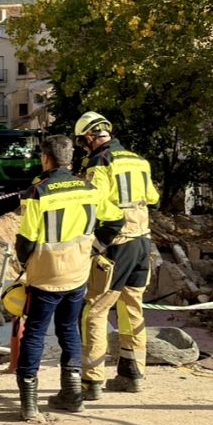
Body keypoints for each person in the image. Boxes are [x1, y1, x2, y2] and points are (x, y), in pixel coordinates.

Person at [14, 135, 123, 421]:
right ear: (70, 158)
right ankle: (73, 394)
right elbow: (116, 220)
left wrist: (24, 264)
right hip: (77, 273)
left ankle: (29, 403)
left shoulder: (38, 192)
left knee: (35, 333)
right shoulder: (88, 188)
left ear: (45, 158)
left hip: (45, 275)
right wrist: (94, 248)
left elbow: (26, 240)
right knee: (70, 329)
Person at [75, 111, 161, 397]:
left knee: (95, 310)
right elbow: (153, 199)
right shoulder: (139, 160)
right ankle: (132, 374)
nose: (83, 148)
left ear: (90, 137)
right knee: (132, 308)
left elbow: (95, 202)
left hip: (117, 244)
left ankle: (91, 381)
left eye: (83, 142)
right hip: (142, 242)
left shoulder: (100, 162)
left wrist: (97, 239)